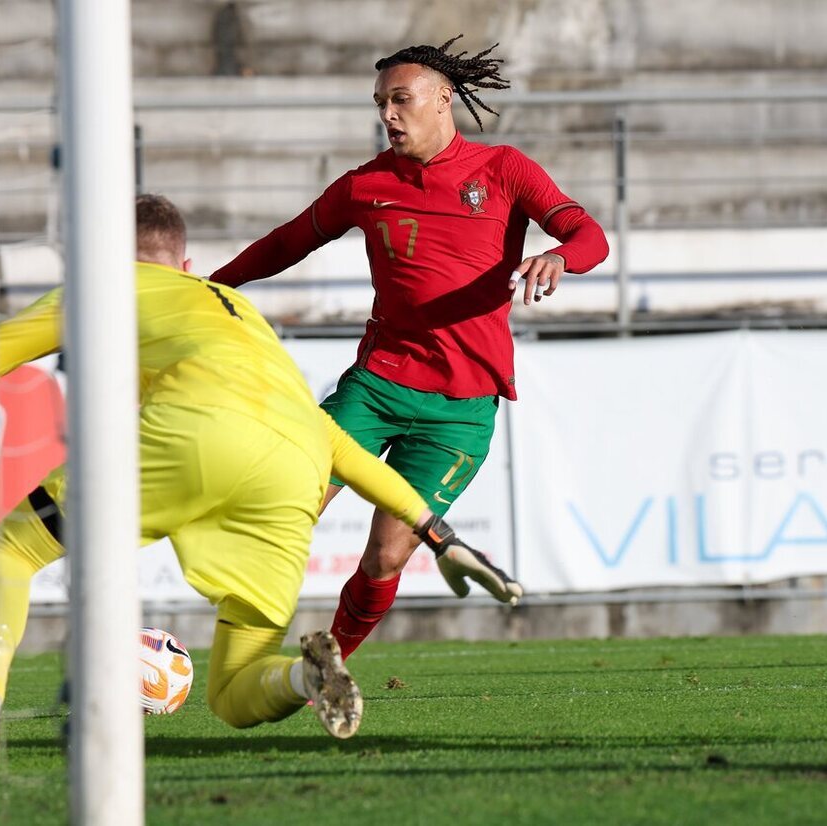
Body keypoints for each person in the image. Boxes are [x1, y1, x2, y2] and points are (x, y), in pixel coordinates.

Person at [0, 194, 499, 766]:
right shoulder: (241, 313)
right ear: (186, 264)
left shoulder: (104, 287)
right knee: (235, 694)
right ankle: (304, 674)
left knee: (12, 550)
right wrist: (434, 532)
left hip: (193, 434)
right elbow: (333, 442)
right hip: (294, 464)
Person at [211, 36, 610, 658]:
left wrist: (559, 256)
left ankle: (330, 664)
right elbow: (287, 242)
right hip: (376, 387)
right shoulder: (364, 186)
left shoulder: (503, 169)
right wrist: (210, 287)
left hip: (462, 407)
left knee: (386, 552)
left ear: (444, 99)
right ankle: (238, 649)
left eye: (401, 99)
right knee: (292, 501)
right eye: (380, 103)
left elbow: (590, 235)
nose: (388, 114)